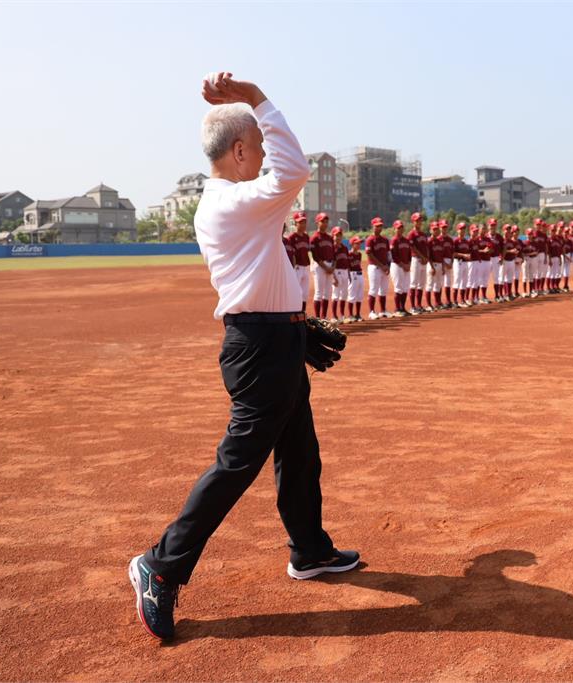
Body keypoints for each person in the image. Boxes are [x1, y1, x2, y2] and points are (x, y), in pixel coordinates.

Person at [129, 72, 358, 642]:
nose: (261, 156)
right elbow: (296, 169)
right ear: (238, 150)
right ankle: (161, 564)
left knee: (299, 452)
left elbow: (267, 274)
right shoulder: (234, 201)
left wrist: (295, 330)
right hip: (257, 348)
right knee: (238, 463)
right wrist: (256, 98)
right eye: (255, 146)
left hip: (273, 339)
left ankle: (309, 550)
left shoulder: (237, 203)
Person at [365, 217, 391, 319]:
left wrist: (388, 266)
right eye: (377, 226)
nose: (379, 228)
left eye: (380, 226)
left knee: (383, 290)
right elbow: (370, 255)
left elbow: (388, 254)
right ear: (373, 226)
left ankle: (383, 311)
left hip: (384, 267)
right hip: (374, 267)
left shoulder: (385, 240)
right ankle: (371, 312)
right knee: (373, 289)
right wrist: (382, 266)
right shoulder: (370, 240)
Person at [286, 213, 311, 311]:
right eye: (300, 222)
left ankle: (302, 313)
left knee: (305, 293)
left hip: (306, 266)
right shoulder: (291, 238)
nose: (303, 224)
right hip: (297, 267)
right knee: (296, 292)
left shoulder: (306, 237)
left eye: (304, 222)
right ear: (295, 224)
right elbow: (291, 254)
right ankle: (295, 312)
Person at [408, 213, 431, 313]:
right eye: (417, 220)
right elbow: (412, 247)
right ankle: (413, 307)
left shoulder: (423, 234)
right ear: (413, 222)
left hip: (423, 261)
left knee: (421, 284)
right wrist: (422, 257)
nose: (419, 222)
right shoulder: (411, 234)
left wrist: (426, 258)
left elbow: (425, 247)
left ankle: (419, 305)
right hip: (416, 260)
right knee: (414, 283)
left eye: (420, 220)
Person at [329, 226, 349, 323]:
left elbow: (347, 261)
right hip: (336, 272)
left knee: (344, 294)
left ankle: (342, 315)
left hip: (345, 272)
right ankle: (334, 316)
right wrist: (333, 277)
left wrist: (348, 274)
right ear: (333, 236)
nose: (338, 237)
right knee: (336, 294)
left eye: (340, 235)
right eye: (336, 235)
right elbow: (332, 263)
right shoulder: (331, 248)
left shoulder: (344, 248)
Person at [346, 236, 364, 322]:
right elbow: (348, 267)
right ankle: (350, 315)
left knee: (359, 295)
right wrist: (349, 277)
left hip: (360, 274)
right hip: (352, 274)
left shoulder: (359, 254)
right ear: (352, 244)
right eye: (357, 243)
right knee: (352, 295)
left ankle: (358, 314)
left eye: (360, 243)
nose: (359, 244)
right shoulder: (349, 254)